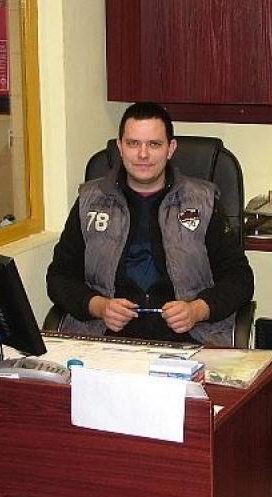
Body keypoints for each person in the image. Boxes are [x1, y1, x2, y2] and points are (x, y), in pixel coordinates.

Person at [47, 102, 253, 346]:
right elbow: (59, 277)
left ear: (170, 148)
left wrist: (197, 310)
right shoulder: (90, 201)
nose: (143, 154)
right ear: (120, 147)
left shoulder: (203, 202)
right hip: (106, 338)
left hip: (188, 337)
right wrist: (99, 306)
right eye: (133, 143)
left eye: (154, 144)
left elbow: (240, 279)